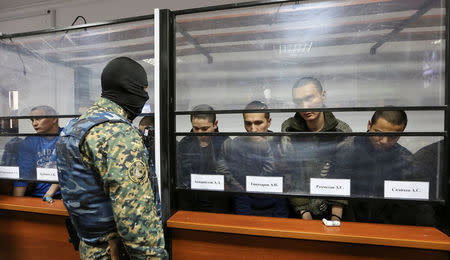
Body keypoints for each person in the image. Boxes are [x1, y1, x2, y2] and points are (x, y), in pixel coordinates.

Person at [56, 57, 166, 259]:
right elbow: (135, 216)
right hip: (116, 252)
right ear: (128, 87)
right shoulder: (118, 134)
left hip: (89, 248)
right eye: (143, 89)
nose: (145, 96)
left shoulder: (75, 127)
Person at [281, 77, 351, 221]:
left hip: (334, 209)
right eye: (298, 102)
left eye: (309, 98)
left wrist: (336, 217)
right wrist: (303, 212)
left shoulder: (342, 131)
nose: (305, 107)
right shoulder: (289, 129)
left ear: (323, 95)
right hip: (298, 208)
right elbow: (293, 174)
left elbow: (342, 174)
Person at [333, 110, 412, 224]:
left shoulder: (405, 159)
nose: (384, 141)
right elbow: (338, 189)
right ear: (369, 125)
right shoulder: (347, 148)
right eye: (379, 133)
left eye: (392, 137)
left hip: (388, 226)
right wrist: (336, 220)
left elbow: (406, 204)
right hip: (348, 221)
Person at [217, 101, 289, 217]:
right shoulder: (235, 145)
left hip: (278, 204)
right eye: (248, 124)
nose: (253, 129)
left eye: (258, 123)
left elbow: (287, 183)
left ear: (269, 122)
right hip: (244, 204)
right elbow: (234, 181)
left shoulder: (280, 143)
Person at [177, 104, 232, 213]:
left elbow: (230, 176)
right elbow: (181, 175)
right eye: (196, 128)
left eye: (204, 128)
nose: (200, 133)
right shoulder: (185, 143)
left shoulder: (225, 143)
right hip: (191, 200)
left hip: (219, 200)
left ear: (215, 124)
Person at [13, 106, 61, 201]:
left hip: (67, 195)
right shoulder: (29, 142)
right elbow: (23, 174)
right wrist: (17, 204)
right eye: (32, 120)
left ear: (54, 119)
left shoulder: (67, 137)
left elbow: (69, 168)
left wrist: (49, 194)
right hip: (39, 196)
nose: (34, 123)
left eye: (38, 119)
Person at [138, 116, 161, 219]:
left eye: (147, 133)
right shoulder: (138, 149)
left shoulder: (169, 146)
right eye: (141, 133)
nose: (144, 137)